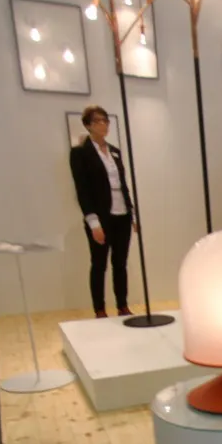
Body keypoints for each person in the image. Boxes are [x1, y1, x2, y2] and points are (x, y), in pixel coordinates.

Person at [69, 105, 135, 319]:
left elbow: (122, 184)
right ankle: (100, 309)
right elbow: (82, 190)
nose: (103, 125)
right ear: (88, 125)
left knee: (120, 263)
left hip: (122, 214)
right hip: (100, 217)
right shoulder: (80, 153)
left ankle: (122, 306)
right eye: (98, 121)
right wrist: (93, 222)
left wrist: (132, 212)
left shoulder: (115, 151)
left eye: (105, 120)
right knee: (99, 264)